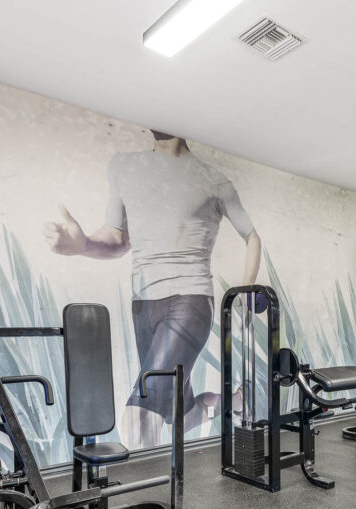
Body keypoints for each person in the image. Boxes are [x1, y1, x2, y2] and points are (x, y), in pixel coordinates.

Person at [44, 130, 261, 448]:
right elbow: (118, 240)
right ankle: (239, 401)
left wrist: (245, 291)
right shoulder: (124, 167)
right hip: (143, 304)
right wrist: (83, 245)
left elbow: (252, 236)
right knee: (182, 416)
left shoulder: (214, 181)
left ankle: (150, 498)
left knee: (140, 416)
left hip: (190, 301)